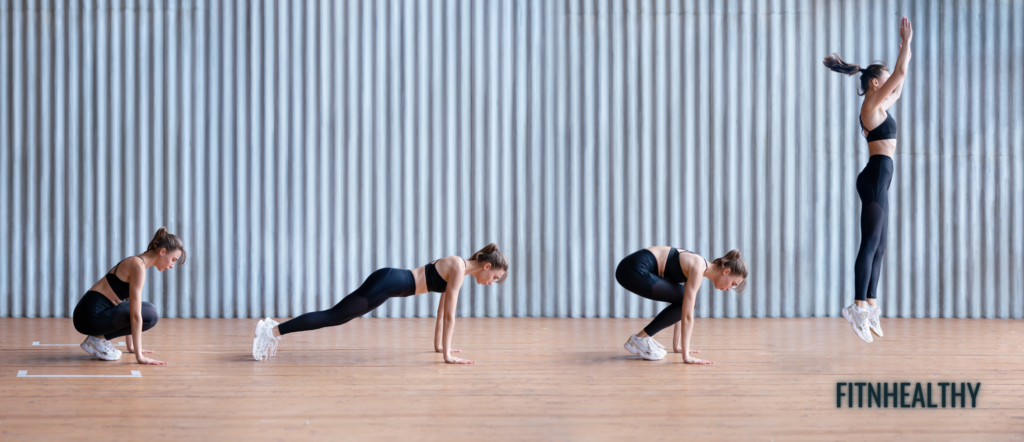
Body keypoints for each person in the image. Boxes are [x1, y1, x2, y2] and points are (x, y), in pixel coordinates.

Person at [252, 244, 508, 364]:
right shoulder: (458, 266)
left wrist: (440, 346)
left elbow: (442, 310)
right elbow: (451, 315)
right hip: (386, 283)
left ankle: (273, 329)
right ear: (487, 266)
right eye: (494, 278)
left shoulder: (459, 269)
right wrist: (447, 356)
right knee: (334, 316)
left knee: (337, 316)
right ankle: (271, 331)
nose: (490, 283)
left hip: (387, 283)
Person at [824, 16, 913, 343]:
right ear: (875, 83)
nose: (890, 83)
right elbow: (900, 75)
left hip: (879, 178)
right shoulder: (871, 103)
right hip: (875, 178)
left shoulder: (880, 102)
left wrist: (905, 48)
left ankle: (871, 304)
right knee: (870, 244)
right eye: (885, 79)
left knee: (880, 246)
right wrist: (907, 44)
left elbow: (900, 85)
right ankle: (857, 305)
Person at [72, 227, 186, 365]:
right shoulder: (137, 266)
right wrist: (140, 357)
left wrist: (131, 347)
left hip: (91, 313)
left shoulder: (138, 264)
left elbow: (129, 306)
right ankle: (96, 340)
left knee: (149, 308)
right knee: (150, 315)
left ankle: (97, 339)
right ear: (162, 251)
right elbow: (135, 316)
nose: (173, 265)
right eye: (173, 259)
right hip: (88, 316)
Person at [615, 247, 747, 364]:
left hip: (630, 269)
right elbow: (688, 316)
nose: (730, 288)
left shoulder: (698, 265)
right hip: (632, 269)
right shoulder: (697, 267)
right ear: (726, 272)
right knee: (689, 302)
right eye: (733, 284)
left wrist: (677, 347)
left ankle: (641, 338)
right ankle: (640, 339)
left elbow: (683, 307)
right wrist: (686, 356)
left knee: (684, 299)